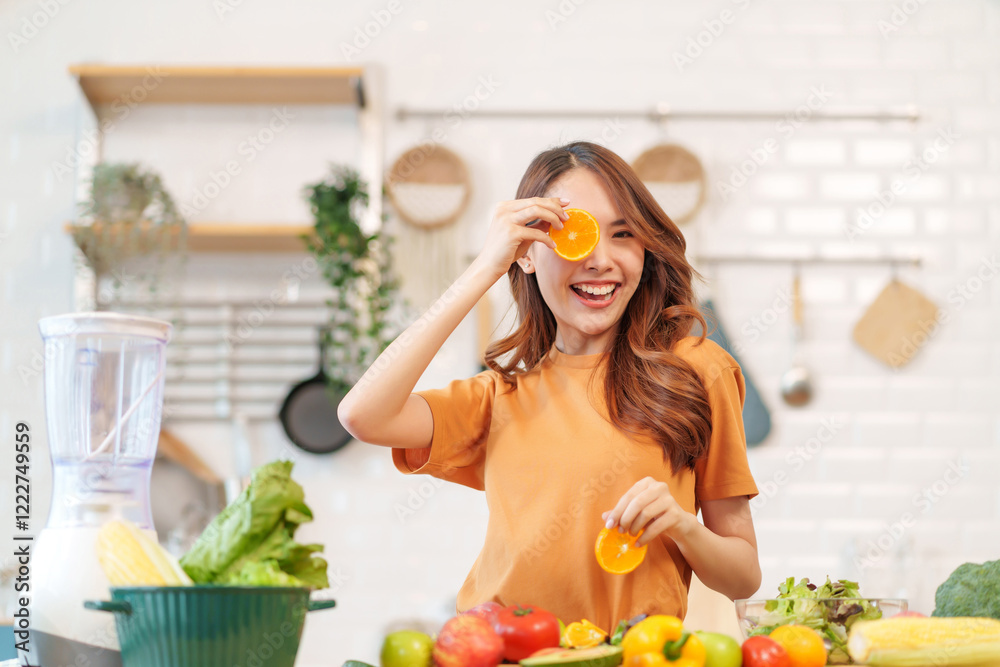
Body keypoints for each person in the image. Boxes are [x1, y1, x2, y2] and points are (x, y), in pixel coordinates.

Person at [338, 141, 761, 630]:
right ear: (526, 255)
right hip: (495, 655)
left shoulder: (697, 372)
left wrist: (683, 526)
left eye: (624, 234)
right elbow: (361, 414)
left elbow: (743, 576)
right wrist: (483, 269)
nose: (601, 260)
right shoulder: (498, 396)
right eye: (573, 236)